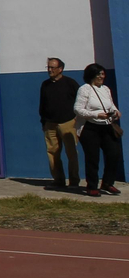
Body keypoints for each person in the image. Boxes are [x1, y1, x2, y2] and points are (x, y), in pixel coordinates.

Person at [74, 63, 123, 197]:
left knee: (114, 153)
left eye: (103, 74)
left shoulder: (106, 89)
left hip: (106, 126)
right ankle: (92, 186)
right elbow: (78, 109)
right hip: (90, 128)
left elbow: (111, 105)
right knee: (92, 158)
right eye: (99, 74)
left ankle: (107, 183)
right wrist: (96, 114)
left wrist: (116, 112)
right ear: (92, 75)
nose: (102, 76)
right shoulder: (85, 89)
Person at [40, 58, 81, 190]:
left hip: (68, 123)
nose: (50, 70)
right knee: (52, 153)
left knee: (71, 153)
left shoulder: (70, 83)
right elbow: (42, 104)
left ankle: (74, 181)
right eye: (48, 67)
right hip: (50, 124)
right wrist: (44, 122)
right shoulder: (45, 85)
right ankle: (58, 180)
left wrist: (78, 122)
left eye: (53, 67)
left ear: (60, 69)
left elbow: (80, 102)